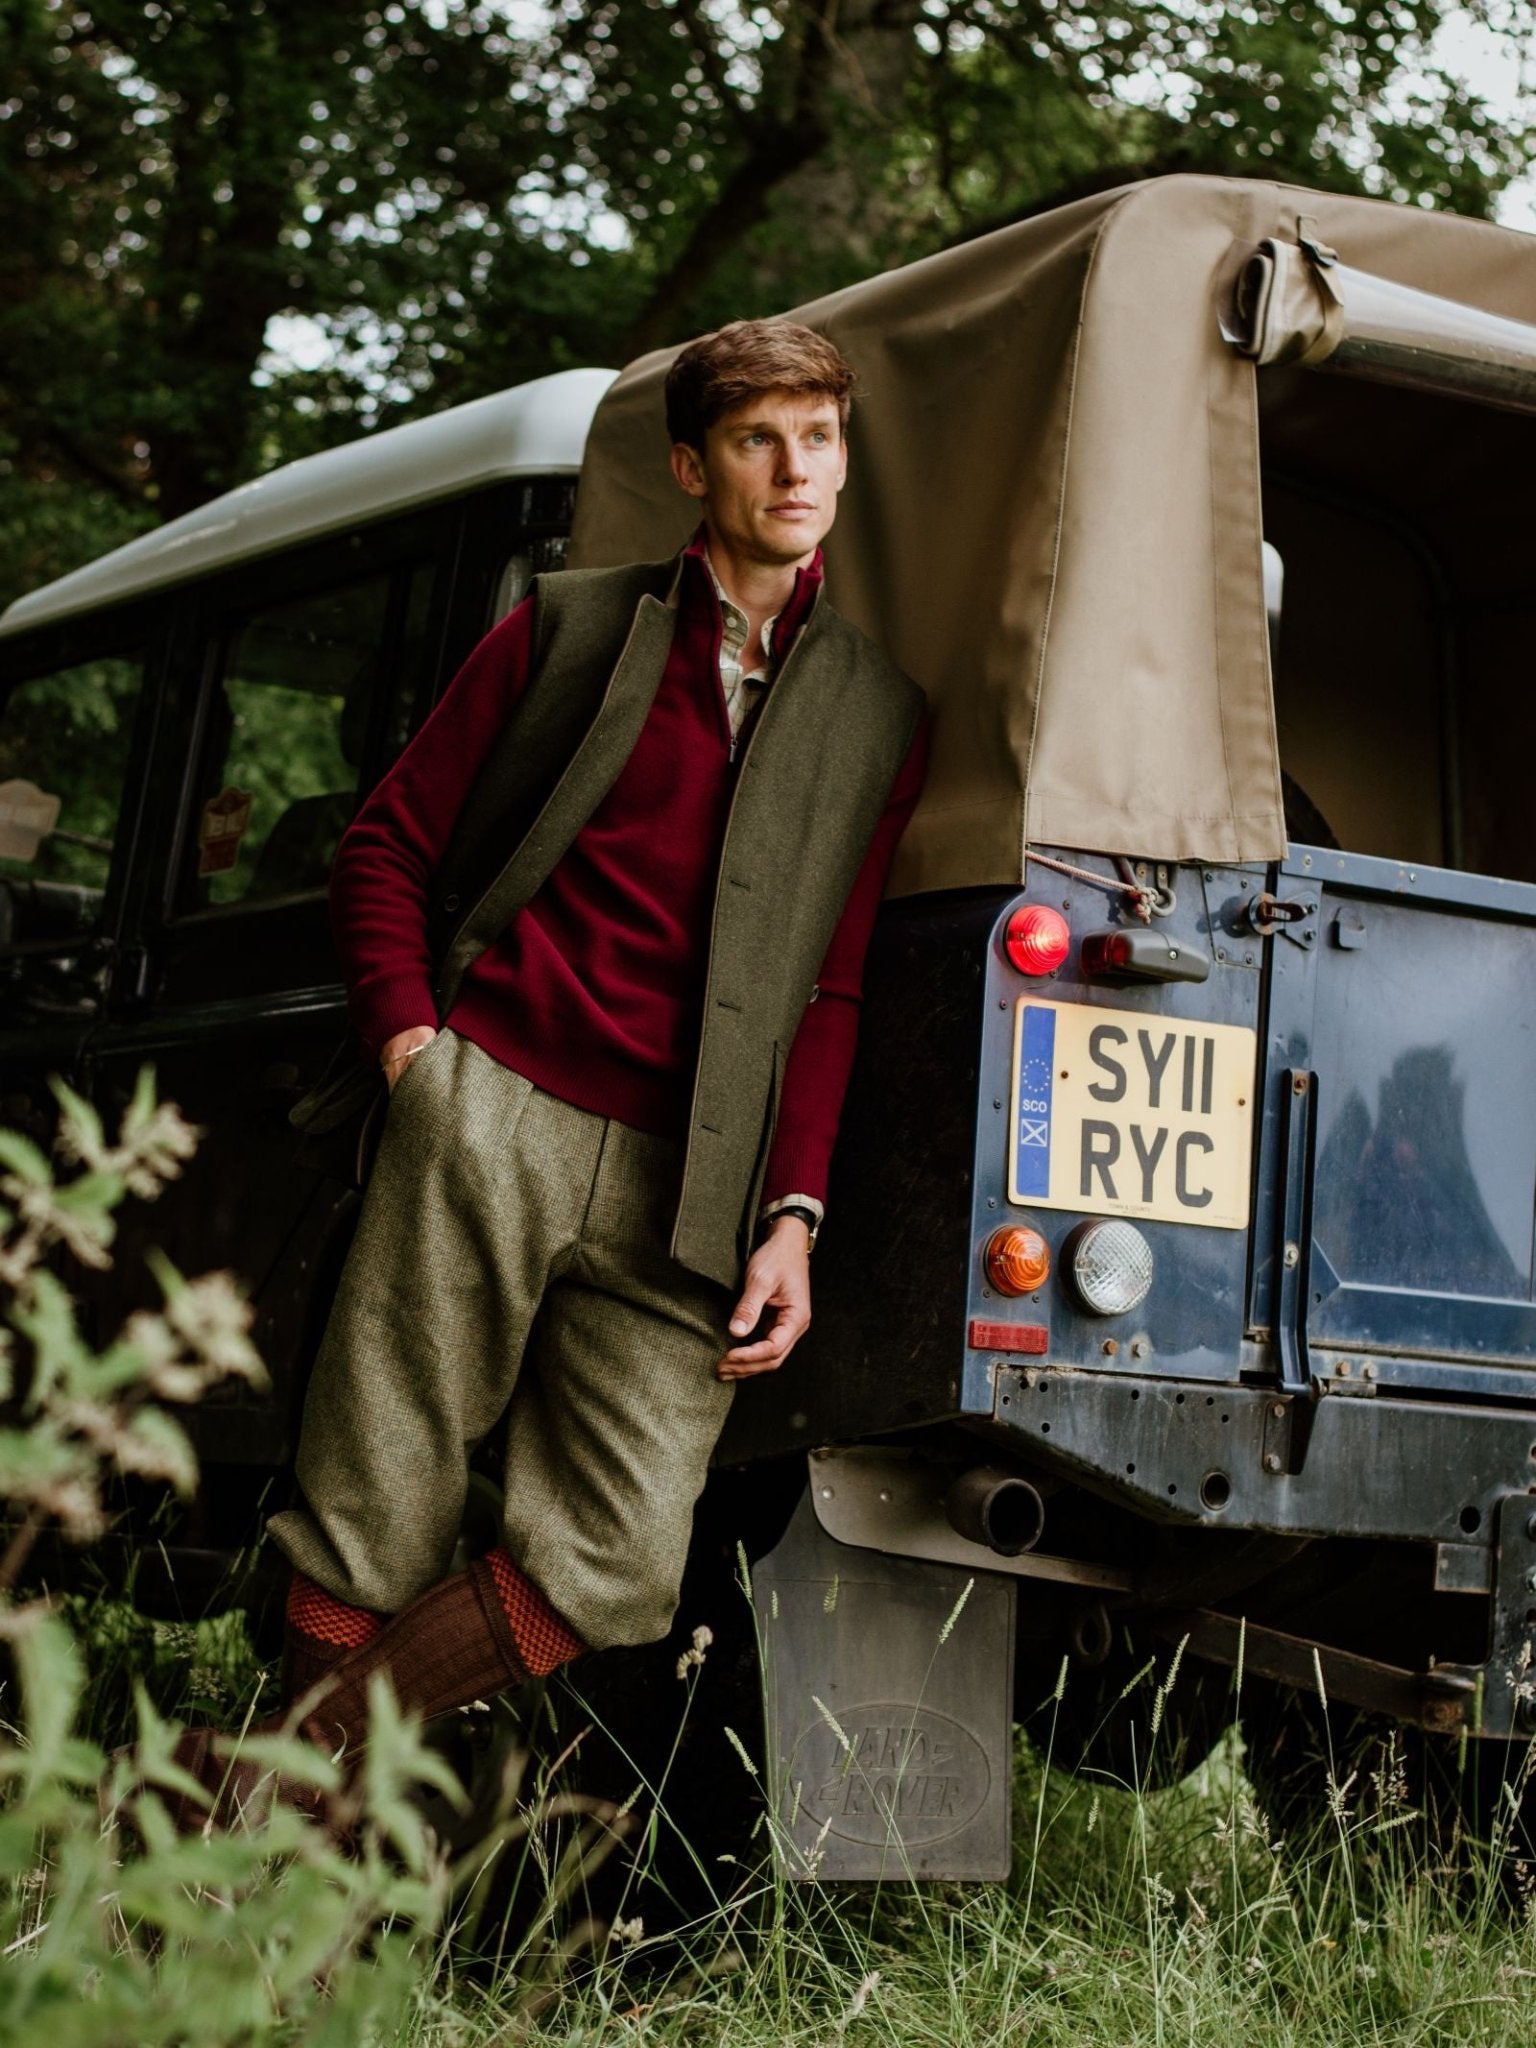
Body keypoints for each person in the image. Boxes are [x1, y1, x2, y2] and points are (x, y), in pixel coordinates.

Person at [182, 320, 928, 1815]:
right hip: (493, 1112)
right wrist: (419, 1063)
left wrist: (794, 1215)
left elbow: (835, 988)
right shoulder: (569, 630)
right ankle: (276, 1885)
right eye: (758, 439)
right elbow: (383, 846)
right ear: (691, 465)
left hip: (694, 1185)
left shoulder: (878, 713)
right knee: (373, 1493)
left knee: (619, 1559)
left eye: (821, 438)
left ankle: (259, 1779)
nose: (796, 470)